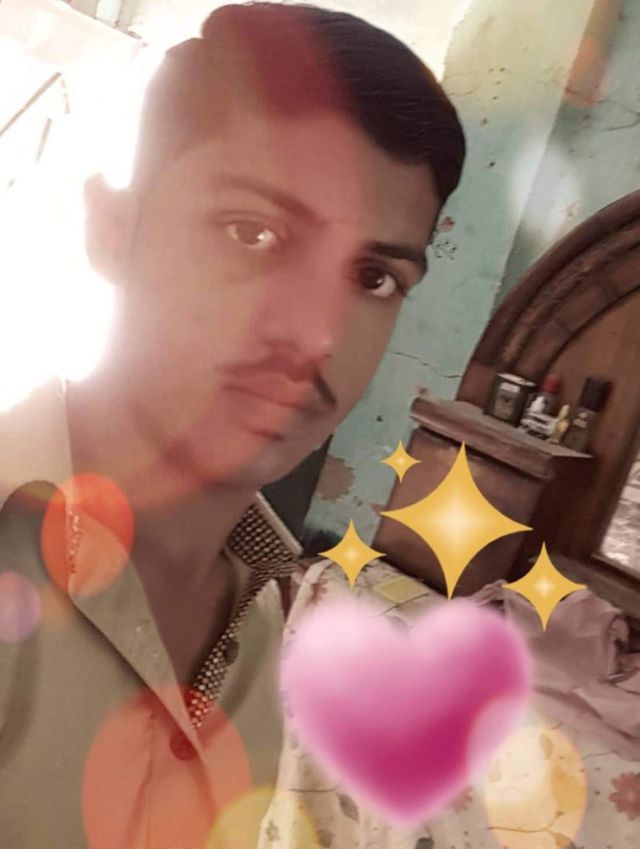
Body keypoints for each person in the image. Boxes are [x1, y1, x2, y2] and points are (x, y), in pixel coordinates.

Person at [0, 4, 465, 847]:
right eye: (253, 232)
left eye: (374, 277)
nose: (318, 333)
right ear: (111, 228)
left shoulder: (298, 640)